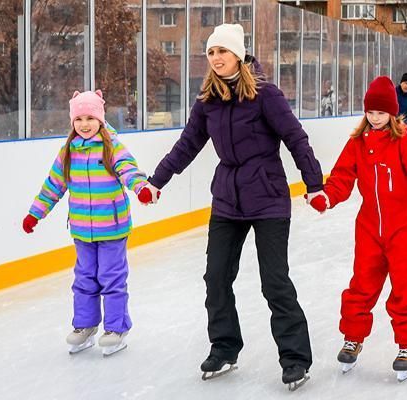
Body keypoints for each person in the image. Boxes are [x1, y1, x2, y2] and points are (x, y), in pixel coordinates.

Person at [136, 23, 322, 391]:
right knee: (216, 277)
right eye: (211, 52)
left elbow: (295, 137)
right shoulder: (207, 102)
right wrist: (156, 181)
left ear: (238, 53)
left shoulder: (266, 95)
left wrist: (314, 185)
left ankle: (295, 359)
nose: (216, 58)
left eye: (222, 51)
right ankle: (224, 348)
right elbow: (187, 145)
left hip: (268, 198)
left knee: (275, 282)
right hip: (227, 199)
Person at [306, 76, 407, 381]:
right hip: (368, 229)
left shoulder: (405, 142)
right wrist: (326, 197)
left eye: (380, 113)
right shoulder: (356, 144)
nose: (374, 118)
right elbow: (341, 178)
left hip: (403, 229)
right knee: (361, 286)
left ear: (392, 113)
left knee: (404, 289)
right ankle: (352, 338)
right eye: (370, 112)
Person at [22, 90, 151, 356]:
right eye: (78, 118)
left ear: (100, 119)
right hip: (82, 230)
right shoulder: (68, 151)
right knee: (84, 279)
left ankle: (116, 328)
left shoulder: (112, 146)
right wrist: (36, 213)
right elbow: (53, 185)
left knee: (111, 278)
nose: (84, 124)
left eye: (90, 117)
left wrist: (141, 188)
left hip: (113, 228)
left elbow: (128, 170)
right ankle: (85, 325)